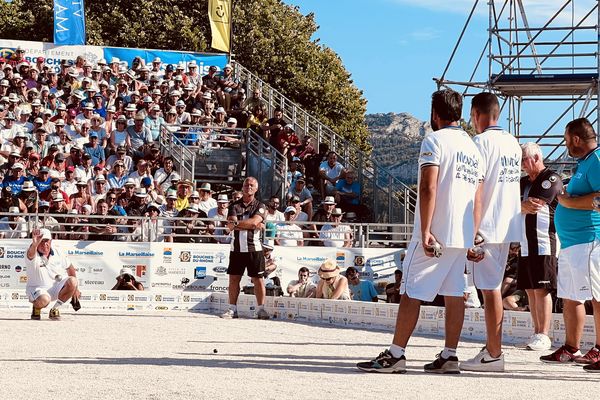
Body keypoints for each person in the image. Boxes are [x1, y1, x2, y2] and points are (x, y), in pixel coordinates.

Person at [357, 89, 483, 374]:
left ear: (435, 114)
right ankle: (449, 355)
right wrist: (473, 234)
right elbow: (478, 196)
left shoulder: (434, 140)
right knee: (454, 293)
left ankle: (396, 353)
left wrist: (425, 231)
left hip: (436, 230)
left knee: (411, 291)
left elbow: (428, 187)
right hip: (461, 234)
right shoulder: (473, 148)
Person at [461, 92, 523, 373]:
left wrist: (472, 231)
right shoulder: (513, 142)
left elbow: (478, 189)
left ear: (476, 114)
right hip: (508, 224)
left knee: (490, 292)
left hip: (486, 226)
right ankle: (492, 349)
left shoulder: (479, 142)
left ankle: (494, 353)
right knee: (492, 290)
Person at [540, 118, 600, 373]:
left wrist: (567, 201)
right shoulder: (584, 163)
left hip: (590, 240)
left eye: (566, 140)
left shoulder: (596, 159)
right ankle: (571, 347)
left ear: (576, 139)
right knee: (571, 296)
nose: (565, 145)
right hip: (574, 243)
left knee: (597, 297)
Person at [519, 142, 563, 351]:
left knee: (542, 288)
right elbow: (513, 205)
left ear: (535, 158)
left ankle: (544, 334)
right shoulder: (522, 183)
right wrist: (519, 206)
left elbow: (535, 205)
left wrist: (519, 206)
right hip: (525, 243)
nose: (521, 165)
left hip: (544, 241)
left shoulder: (551, 178)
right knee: (530, 289)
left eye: (523, 160)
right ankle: (536, 331)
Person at [220, 177, 270, 320]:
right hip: (236, 249)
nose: (249, 187)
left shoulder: (261, 206)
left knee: (258, 279)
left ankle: (261, 309)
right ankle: (232, 309)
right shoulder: (234, 205)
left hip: (254, 248)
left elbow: (253, 222)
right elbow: (230, 224)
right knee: (234, 279)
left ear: (256, 188)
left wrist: (238, 224)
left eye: (252, 185)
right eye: (246, 184)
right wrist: (250, 224)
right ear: (242, 187)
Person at [25, 228, 80, 320]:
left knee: (73, 281)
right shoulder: (33, 252)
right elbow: (31, 254)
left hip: (56, 288)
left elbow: (70, 268)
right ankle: (36, 307)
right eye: (41, 241)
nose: (44, 244)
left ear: (51, 241)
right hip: (37, 289)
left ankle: (55, 309)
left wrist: (76, 289)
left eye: (46, 241)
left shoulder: (58, 252)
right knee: (44, 300)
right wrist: (34, 244)